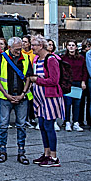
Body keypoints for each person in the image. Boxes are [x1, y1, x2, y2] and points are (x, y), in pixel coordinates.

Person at [0, 37, 32, 165]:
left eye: (20, 49)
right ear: (9, 48)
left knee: (21, 125)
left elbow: (28, 77)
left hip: (21, 96)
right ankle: (2, 150)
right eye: (16, 49)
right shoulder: (1, 58)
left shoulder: (25, 58)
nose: (19, 51)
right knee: (3, 124)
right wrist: (6, 94)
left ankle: (21, 152)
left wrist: (23, 94)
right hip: (5, 97)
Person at [28, 36, 64, 167]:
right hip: (40, 98)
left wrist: (36, 80)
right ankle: (46, 153)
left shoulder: (51, 60)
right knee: (42, 125)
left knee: (49, 126)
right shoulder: (37, 59)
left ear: (41, 46)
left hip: (50, 98)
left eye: (34, 45)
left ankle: (54, 157)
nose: (32, 47)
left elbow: (54, 80)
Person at [60, 40, 87, 131]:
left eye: (73, 45)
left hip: (78, 82)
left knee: (77, 104)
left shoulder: (81, 58)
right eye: (69, 45)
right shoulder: (63, 58)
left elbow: (84, 71)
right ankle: (67, 121)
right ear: (67, 47)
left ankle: (76, 122)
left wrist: (83, 81)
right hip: (67, 83)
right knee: (67, 103)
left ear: (76, 47)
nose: (71, 47)